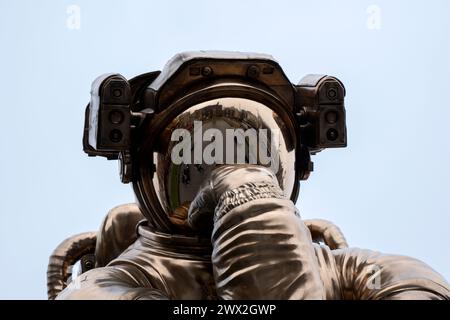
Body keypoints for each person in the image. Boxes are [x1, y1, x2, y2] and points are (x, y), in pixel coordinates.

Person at [48, 52, 450, 300]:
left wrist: (255, 214)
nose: (227, 171)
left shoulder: (360, 270)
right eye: (200, 162)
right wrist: (253, 204)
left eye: (252, 155)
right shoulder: (100, 288)